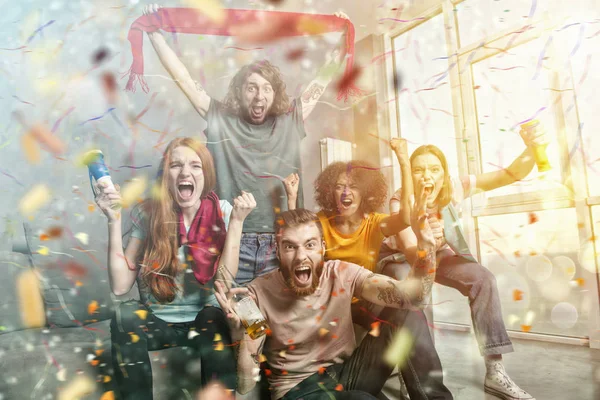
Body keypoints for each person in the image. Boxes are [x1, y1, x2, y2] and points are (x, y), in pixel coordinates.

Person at [142, 4, 349, 285]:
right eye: (251, 87)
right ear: (240, 92)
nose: (259, 95)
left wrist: (342, 41)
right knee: (234, 321)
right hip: (231, 236)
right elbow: (186, 82)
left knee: (279, 321)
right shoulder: (221, 118)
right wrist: (155, 36)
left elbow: (320, 82)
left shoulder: (289, 120)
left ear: (274, 93)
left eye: (266, 88)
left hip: (282, 241)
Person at [214, 188, 453, 399]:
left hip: (347, 373)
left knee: (407, 316)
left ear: (322, 249)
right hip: (300, 390)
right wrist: (241, 336)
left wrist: (426, 248)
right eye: (290, 247)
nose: (301, 257)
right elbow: (245, 386)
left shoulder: (340, 273)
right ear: (278, 251)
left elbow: (414, 297)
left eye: (309, 245)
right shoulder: (257, 294)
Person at [378, 127, 547, 400]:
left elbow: (511, 174)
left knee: (483, 279)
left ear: (444, 174)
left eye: (434, 169)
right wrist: (426, 240)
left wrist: (530, 149)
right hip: (402, 257)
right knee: (410, 290)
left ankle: (495, 371)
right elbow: (412, 254)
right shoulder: (401, 199)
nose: (427, 176)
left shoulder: (454, 186)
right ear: (409, 174)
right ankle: (412, 372)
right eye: (419, 170)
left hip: (437, 253)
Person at [94, 137, 257, 399]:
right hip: (159, 323)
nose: (185, 172)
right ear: (166, 175)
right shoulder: (149, 213)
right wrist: (113, 221)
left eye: (195, 165)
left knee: (213, 316)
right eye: (176, 165)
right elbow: (121, 285)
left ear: (206, 174)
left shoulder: (224, 212)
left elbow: (224, 284)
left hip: (205, 321)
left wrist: (237, 222)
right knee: (125, 314)